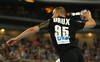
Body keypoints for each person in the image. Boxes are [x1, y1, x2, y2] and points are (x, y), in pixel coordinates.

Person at [6, 6, 96, 62]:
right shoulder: (72, 22)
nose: (52, 16)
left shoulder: (51, 21)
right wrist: (89, 17)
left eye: (53, 14)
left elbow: (33, 29)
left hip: (66, 55)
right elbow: (92, 24)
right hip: (77, 53)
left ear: (58, 14)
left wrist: (17, 38)